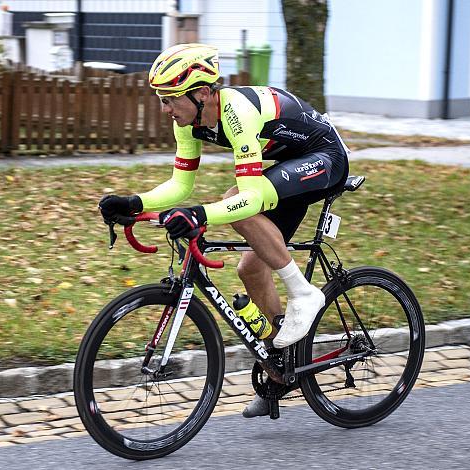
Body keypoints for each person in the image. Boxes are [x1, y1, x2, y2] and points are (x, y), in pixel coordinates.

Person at [98, 43, 349, 418]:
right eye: (161, 100)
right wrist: (136, 203)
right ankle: (283, 369)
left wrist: (199, 215)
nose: (164, 109)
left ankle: (304, 294)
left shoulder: (236, 111)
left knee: (236, 199)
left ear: (202, 93)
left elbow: (246, 198)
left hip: (324, 158)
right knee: (250, 269)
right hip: (288, 164)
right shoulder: (188, 120)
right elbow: (180, 186)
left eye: (170, 99)